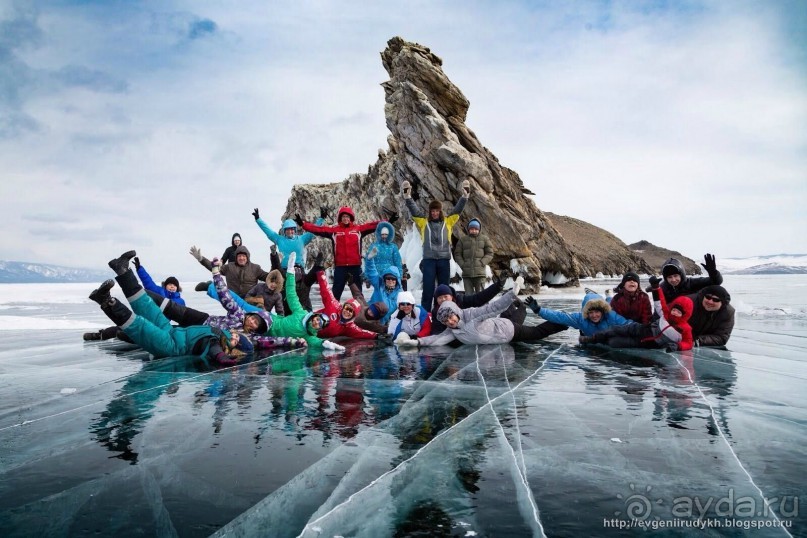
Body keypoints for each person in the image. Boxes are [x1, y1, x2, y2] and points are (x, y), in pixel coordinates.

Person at [88, 250, 254, 365]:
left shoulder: (217, 343)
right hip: (171, 332)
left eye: (237, 340)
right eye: (238, 336)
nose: (235, 336)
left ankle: (106, 301)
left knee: (140, 326)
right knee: (148, 306)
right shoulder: (220, 333)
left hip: (169, 346)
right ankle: (123, 269)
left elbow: (213, 349)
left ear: (235, 349)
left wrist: (221, 357)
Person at [397, 278, 563, 347]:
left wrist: (512, 293)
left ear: (455, 310)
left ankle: (565, 322)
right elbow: (436, 339)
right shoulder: (452, 331)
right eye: (447, 321)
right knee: (510, 316)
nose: (451, 322)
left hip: (509, 331)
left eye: (451, 318)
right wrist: (417, 343)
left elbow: (492, 308)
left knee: (537, 332)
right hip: (499, 332)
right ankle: (519, 307)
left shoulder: (470, 315)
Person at [402, 178, 469, 310]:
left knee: (444, 290)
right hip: (429, 261)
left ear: (440, 211)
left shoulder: (448, 222)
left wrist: (465, 197)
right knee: (428, 289)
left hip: (444, 260)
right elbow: (414, 211)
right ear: (430, 212)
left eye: (437, 211)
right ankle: (426, 314)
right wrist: (407, 197)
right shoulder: (423, 223)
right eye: (432, 211)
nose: (434, 213)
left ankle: (444, 311)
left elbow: (457, 210)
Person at [580, 276, 695, 351]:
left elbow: (688, 343)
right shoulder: (666, 314)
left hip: (647, 342)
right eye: (674, 309)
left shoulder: (685, 329)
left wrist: (678, 346)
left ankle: (601, 340)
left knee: (614, 342)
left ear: (685, 315)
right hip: (641, 328)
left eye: (679, 312)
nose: (674, 313)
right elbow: (660, 302)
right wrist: (656, 288)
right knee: (614, 329)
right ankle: (592, 339)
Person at [297, 206, 382, 301]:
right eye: (343, 217)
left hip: (355, 267)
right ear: (340, 218)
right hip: (340, 267)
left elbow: (372, 225)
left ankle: (360, 312)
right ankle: (333, 314)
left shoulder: (358, 230)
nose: (345, 218)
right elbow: (319, 230)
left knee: (358, 294)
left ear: (351, 218)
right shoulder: (334, 231)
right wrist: (303, 224)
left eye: (347, 216)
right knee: (335, 294)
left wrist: (387, 222)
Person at [264, 252, 346, 350]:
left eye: (319, 324)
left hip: (298, 310)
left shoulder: (305, 282)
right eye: (317, 319)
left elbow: (313, 274)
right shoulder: (300, 312)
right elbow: (290, 291)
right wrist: (275, 257)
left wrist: (325, 343)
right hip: (281, 316)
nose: (316, 322)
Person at [252, 207, 324, 311]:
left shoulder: (302, 239)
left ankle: (308, 314)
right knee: (284, 295)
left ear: (294, 230)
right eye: (287, 229)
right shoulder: (279, 239)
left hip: (299, 270)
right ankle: (285, 315)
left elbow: (313, 230)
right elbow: (268, 231)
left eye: (292, 229)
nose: (290, 231)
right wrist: (258, 219)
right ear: (284, 231)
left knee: (303, 292)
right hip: (284, 271)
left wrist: (321, 219)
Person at [313, 270, 386, 340]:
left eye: (351, 311)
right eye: (347, 308)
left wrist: (377, 336)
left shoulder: (350, 327)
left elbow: (362, 333)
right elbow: (326, 291)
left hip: (313, 336)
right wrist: (321, 274)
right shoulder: (334, 305)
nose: (347, 312)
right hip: (308, 322)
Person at [524, 290, 632, 337]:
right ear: (586, 312)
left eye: (597, 312)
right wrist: (539, 310)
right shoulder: (581, 319)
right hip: (591, 336)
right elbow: (560, 317)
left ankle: (608, 295)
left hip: (608, 313)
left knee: (610, 303)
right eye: (591, 312)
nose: (594, 315)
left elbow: (628, 324)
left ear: (602, 311)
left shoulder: (610, 316)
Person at [429, 278, 505, 335]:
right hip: (454, 338)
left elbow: (479, 298)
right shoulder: (436, 312)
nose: (443, 299)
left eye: (445, 296)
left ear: (451, 296)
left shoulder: (461, 301)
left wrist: (497, 286)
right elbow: (436, 330)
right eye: (439, 298)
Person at [189, 244, 268, 298]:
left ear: (247, 257)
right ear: (236, 257)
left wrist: (276, 261)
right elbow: (214, 268)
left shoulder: (255, 268)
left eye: (243, 256)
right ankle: (208, 286)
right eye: (239, 256)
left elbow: (269, 277)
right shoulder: (229, 267)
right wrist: (201, 259)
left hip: (249, 301)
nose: (241, 258)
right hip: (233, 301)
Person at [453, 218, 493, 294]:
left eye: (475, 229)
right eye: (472, 229)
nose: (474, 231)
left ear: (479, 229)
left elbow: (490, 253)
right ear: (468, 229)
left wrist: (482, 262)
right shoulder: (463, 240)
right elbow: (457, 254)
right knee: (468, 297)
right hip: (467, 274)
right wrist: (463, 265)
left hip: (480, 274)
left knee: (481, 296)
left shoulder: (485, 239)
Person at [364, 246, 403, 325]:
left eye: (393, 279)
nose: (390, 281)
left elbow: (388, 308)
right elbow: (372, 273)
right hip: (368, 314)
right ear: (384, 280)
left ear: (397, 281)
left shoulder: (400, 294)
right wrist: (369, 260)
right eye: (388, 278)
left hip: (382, 322)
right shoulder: (379, 285)